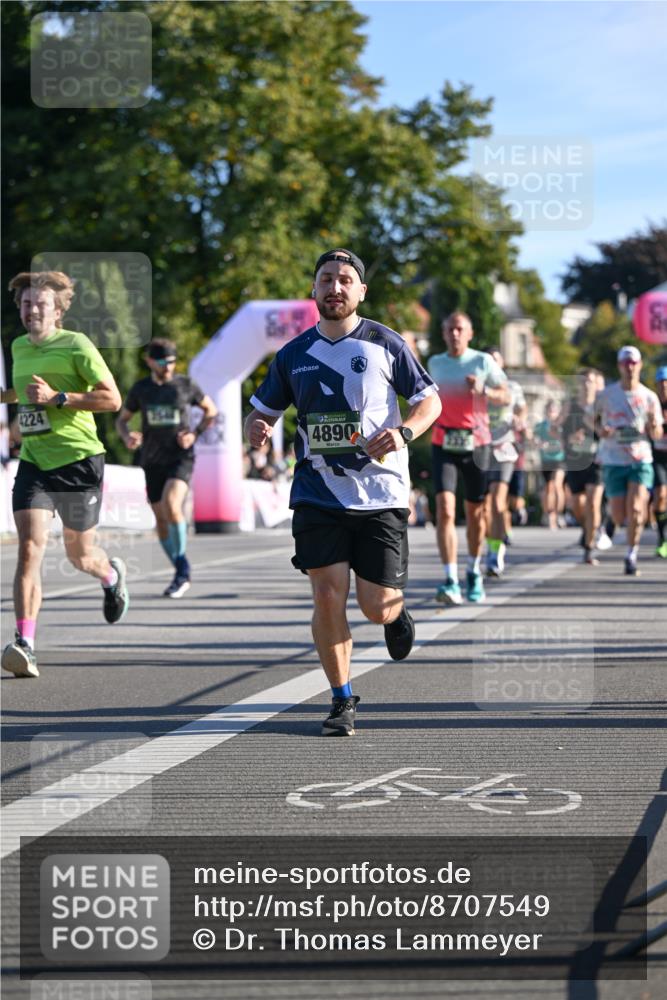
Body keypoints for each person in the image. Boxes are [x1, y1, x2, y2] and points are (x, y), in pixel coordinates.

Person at [244, 248, 441, 737]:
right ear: (314, 290)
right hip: (318, 491)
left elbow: (429, 401)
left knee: (375, 605)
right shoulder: (292, 355)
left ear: (360, 291)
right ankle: (341, 698)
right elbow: (262, 411)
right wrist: (258, 427)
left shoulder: (385, 343)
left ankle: (394, 616)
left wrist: (404, 434)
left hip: (380, 493)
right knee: (328, 594)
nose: (335, 287)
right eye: (326, 279)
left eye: (345, 280)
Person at [2, 271, 128, 679]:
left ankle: (110, 576)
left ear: (57, 311)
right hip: (35, 463)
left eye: (39, 304)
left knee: (79, 557)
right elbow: (23, 393)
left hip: (78, 461)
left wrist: (60, 398)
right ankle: (26, 644)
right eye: (25, 304)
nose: (31, 310)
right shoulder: (19, 346)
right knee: (29, 549)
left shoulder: (77, 344)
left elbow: (112, 398)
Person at [116, 339, 217, 598]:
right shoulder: (141, 389)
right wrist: (127, 437)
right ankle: (180, 569)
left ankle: (182, 569)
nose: (168, 367)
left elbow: (210, 411)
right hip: (151, 459)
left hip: (180, 456)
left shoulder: (185, 385)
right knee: (160, 518)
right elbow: (122, 420)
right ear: (150, 361)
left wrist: (194, 434)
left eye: (172, 362)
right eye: (162, 362)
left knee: (173, 505)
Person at [427, 312, 509, 605]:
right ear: (443, 332)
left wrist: (483, 389)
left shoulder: (482, 361)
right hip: (443, 441)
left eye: (460, 329)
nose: (455, 334)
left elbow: (506, 395)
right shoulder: (435, 363)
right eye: (450, 329)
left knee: (476, 513)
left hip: (477, 442)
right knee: (445, 510)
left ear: (470, 333)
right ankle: (450, 579)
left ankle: (473, 570)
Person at [594, 345, 662, 576]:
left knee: (636, 509)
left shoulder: (649, 397)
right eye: (625, 363)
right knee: (620, 515)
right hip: (613, 459)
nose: (630, 367)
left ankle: (631, 554)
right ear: (619, 366)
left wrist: (654, 425)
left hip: (640, 459)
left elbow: (657, 435)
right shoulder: (606, 395)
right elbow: (591, 418)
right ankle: (611, 524)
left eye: (634, 363)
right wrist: (599, 429)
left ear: (640, 365)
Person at [484, 348, 527, 577]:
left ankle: (495, 553)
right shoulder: (475, 388)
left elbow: (522, 410)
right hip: (480, 449)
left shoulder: (513, 388)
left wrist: (521, 420)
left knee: (497, 501)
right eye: (488, 362)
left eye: (496, 361)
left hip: (504, 447)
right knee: (481, 507)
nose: (492, 366)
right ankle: (489, 544)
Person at [562, 369, 604, 565]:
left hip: (598, 460)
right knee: (578, 506)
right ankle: (588, 530)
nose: (587, 385)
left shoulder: (602, 407)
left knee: (593, 502)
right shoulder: (570, 406)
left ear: (597, 385)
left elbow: (608, 433)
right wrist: (569, 437)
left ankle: (589, 548)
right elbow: (555, 429)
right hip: (576, 461)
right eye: (584, 381)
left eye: (591, 382)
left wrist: (592, 424)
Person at [534, 399, 566, 530]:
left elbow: (567, 441)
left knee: (558, 485)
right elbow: (534, 440)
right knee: (548, 488)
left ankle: (559, 513)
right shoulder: (541, 426)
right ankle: (549, 515)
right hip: (546, 459)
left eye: (554, 410)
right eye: (549, 410)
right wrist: (539, 444)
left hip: (560, 459)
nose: (552, 413)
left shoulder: (561, 426)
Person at [651, 365, 667, 558]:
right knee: (661, 495)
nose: (664, 387)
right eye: (661, 384)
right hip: (657, 456)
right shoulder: (651, 403)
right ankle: (662, 537)